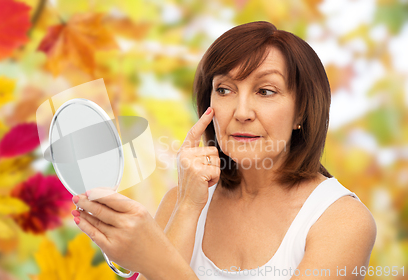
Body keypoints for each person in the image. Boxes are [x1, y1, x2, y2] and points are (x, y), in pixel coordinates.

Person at [71, 21, 377, 279]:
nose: (241, 111)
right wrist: (188, 207)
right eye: (225, 90)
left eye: (265, 91)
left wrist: (153, 259)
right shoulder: (181, 201)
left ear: (301, 112)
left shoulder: (342, 220)